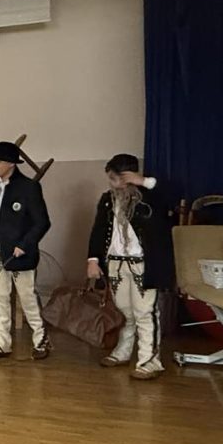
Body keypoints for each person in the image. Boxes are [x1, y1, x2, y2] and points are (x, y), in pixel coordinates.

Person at [87, 154, 174, 380]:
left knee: (144, 311)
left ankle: (149, 360)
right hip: (116, 262)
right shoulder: (108, 200)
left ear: (127, 177)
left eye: (115, 178)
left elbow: (171, 196)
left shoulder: (150, 198)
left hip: (142, 263)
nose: (111, 183)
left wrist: (143, 181)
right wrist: (93, 259)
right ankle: (123, 350)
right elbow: (98, 230)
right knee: (124, 311)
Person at [0, 141, 51, 360]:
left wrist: (24, 244)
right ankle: (0, 343)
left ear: (10, 163)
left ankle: (41, 340)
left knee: (27, 297)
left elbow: (42, 222)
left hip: (19, 252)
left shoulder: (28, 187)